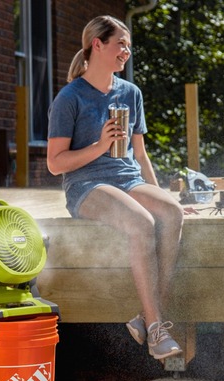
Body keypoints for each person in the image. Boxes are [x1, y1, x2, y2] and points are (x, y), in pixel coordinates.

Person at [47, 15, 184, 361]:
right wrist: (99, 145)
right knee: (142, 223)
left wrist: (161, 194)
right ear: (97, 45)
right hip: (86, 184)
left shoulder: (130, 93)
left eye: (128, 46)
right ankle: (156, 330)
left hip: (127, 178)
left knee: (171, 212)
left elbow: (140, 154)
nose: (126, 51)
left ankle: (147, 316)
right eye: (120, 44)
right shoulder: (70, 97)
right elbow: (55, 163)